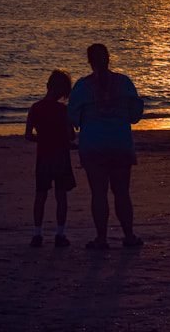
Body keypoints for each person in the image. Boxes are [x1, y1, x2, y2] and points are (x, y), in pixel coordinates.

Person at [68, 43, 144, 250]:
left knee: (99, 193)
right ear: (109, 59)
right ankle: (128, 235)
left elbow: (73, 116)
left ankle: (101, 238)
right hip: (119, 142)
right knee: (121, 192)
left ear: (89, 61)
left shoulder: (83, 86)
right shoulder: (124, 82)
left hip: (94, 144)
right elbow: (135, 115)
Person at [25, 69, 77, 248]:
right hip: (61, 157)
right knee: (61, 196)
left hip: (43, 156)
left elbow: (28, 135)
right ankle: (60, 234)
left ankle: (37, 234)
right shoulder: (63, 110)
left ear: (48, 86)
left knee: (40, 196)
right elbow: (71, 136)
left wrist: (43, 138)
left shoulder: (35, 108)